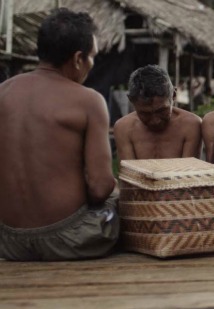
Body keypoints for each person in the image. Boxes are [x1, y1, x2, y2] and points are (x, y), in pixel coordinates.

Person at [0, 9, 119, 261]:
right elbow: (100, 187)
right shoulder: (89, 101)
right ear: (78, 59)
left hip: (8, 241)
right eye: (92, 57)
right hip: (67, 239)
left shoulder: (3, 92)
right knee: (118, 198)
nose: (92, 64)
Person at [113, 65, 202, 161]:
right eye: (145, 114)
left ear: (174, 95)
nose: (155, 121)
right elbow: (128, 173)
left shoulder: (191, 125)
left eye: (161, 111)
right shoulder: (124, 128)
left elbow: (189, 172)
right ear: (131, 101)